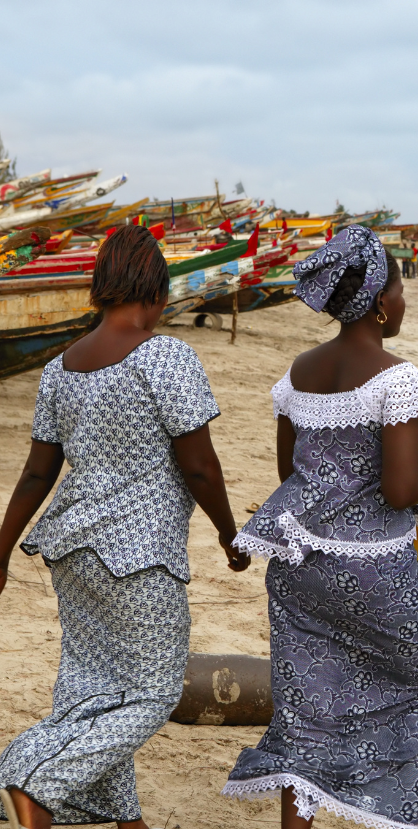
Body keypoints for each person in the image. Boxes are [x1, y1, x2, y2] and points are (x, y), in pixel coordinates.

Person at [222, 225, 418, 829]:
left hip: (299, 568)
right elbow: (399, 489)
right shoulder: (398, 379)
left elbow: (292, 474)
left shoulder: (299, 374)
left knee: (306, 712)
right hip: (376, 570)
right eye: (401, 289)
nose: (404, 301)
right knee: (413, 693)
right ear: (381, 304)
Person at [0, 224, 249, 829]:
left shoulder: (62, 367)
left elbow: (37, 474)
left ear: (102, 286)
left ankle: (123, 818)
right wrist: (226, 532)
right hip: (141, 558)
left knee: (95, 688)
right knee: (151, 693)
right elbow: (200, 467)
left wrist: (1, 549)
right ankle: (29, 780)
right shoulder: (166, 357)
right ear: (157, 292)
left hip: (73, 553)